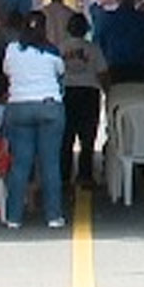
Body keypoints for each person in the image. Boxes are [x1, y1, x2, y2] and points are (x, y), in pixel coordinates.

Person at [0, 10, 66, 230]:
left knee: (20, 163)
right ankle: (53, 216)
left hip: (19, 107)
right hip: (49, 107)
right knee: (50, 163)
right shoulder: (52, 52)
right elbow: (60, 75)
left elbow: (7, 72)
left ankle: (14, 217)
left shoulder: (11, 50)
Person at [58, 12, 107, 190]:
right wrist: (107, 91)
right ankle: (85, 176)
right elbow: (102, 73)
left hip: (67, 93)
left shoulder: (61, 48)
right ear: (86, 29)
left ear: (68, 29)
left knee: (66, 137)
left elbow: (56, 73)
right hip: (89, 92)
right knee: (87, 136)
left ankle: (64, 176)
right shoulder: (93, 49)